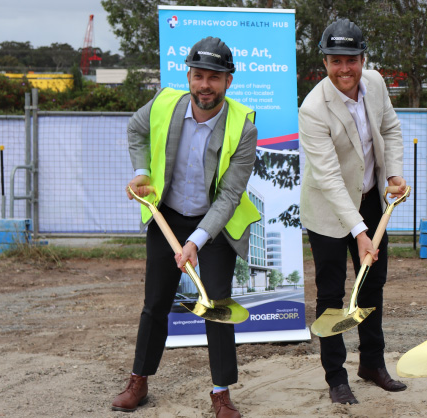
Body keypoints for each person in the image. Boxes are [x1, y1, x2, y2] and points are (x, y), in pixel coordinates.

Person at [113, 36, 259, 418]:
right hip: (167, 217)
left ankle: (221, 393)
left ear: (229, 81)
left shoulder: (243, 126)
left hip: (214, 225)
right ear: (189, 76)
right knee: (155, 303)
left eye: (214, 77)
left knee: (216, 305)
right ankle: (139, 380)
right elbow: (135, 128)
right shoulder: (165, 104)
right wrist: (142, 172)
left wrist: (195, 241)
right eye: (198, 76)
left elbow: (229, 196)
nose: (204, 85)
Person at [299, 18, 407, 404]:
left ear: (363, 58)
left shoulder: (375, 84)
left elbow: (391, 129)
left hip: (371, 200)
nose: (344, 68)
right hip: (328, 213)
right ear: (324, 63)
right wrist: (360, 233)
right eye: (335, 60)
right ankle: (336, 377)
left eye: (351, 59)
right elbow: (328, 179)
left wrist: (393, 174)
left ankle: (372, 364)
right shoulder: (313, 109)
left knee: (372, 285)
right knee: (332, 294)